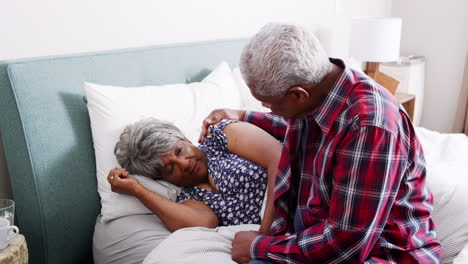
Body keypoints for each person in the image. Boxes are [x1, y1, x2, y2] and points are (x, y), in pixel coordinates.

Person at [199, 23, 442, 263]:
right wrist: (243, 115)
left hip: (383, 254)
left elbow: (347, 242)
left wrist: (259, 247)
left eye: (268, 102)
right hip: (321, 236)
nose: (266, 107)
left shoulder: (369, 126)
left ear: (298, 95)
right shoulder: (321, 88)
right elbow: (301, 124)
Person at [107, 117, 281, 234]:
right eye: (170, 169)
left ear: (185, 139)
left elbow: (279, 158)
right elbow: (205, 224)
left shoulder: (221, 136)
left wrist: (264, 233)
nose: (184, 163)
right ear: (163, 179)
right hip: (287, 235)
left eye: (180, 150)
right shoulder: (190, 198)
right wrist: (138, 190)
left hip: (303, 195)